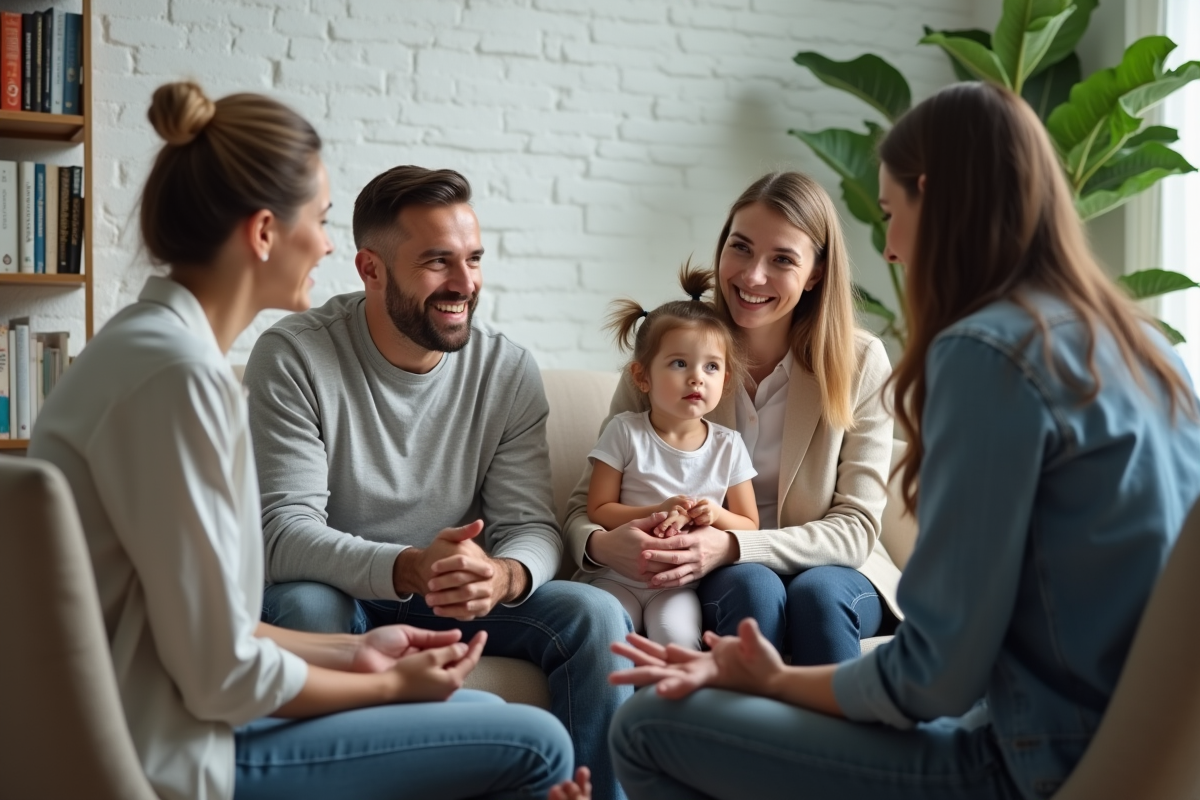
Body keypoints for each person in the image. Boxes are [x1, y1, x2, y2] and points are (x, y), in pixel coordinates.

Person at [605, 81, 1200, 800]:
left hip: (1027, 762)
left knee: (642, 727)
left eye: (890, 212)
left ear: (935, 197)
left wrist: (775, 681)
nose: (887, 248)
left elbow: (932, 677)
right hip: (1133, 759)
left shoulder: (991, 353)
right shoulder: (1147, 347)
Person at [28, 82, 578, 800]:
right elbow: (222, 674)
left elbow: (208, 631)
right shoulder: (183, 381)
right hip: (172, 747)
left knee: (480, 709)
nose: (326, 242)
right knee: (536, 742)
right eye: (319, 219)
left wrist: (358, 649)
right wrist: (383, 687)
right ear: (263, 233)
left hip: (174, 710)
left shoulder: (143, 348)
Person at [244, 164, 632, 800]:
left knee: (595, 613)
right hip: (343, 588)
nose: (465, 284)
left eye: (474, 259)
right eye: (437, 262)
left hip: (455, 593)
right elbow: (283, 533)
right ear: (371, 269)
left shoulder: (505, 370)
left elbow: (529, 525)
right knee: (307, 606)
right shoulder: (295, 355)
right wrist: (411, 565)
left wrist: (502, 576)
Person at [564, 171, 900, 665]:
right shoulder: (673, 350)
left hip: (830, 568)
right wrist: (603, 547)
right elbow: (582, 508)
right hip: (712, 576)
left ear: (816, 274)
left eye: (782, 259)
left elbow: (853, 529)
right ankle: (741, 738)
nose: (752, 275)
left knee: (817, 597)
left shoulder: (860, 362)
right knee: (754, 588)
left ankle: (839, 744)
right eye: (740, 248)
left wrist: (732, 545)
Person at [582, 266, 758, 649]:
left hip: (678, 585)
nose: (697, 378)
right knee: (611, 638)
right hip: (615, 576)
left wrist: (715, 514)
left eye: (711, 366)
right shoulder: (625, 432)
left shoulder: (729, 445)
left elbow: (749, 524)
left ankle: (670, 710)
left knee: (677, 640)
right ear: (641, 377)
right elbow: (598, 508)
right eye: (680, 364)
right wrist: (655, 511)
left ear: (725, 380)